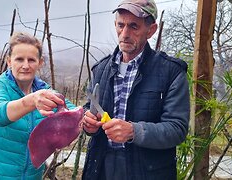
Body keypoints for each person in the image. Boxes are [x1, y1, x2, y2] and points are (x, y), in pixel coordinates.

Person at [81, 0, 190, 179]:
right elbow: (89, 108)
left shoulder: (171, 72)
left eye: (134, 26)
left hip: (147, 171)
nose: (124, 34)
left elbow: (177, 129)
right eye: (120, 25)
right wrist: (88, 123)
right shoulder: (100, 69)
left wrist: (134, 131)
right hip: (101, 167)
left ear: (151, 30)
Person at [0, 32, 74, 179]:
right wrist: (32, 101)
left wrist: (86, 119)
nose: (25, 66)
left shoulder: (44, 91)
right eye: (19, 59)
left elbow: (71, 110)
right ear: (9, 61)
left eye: (31, 60)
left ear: (40, 63)